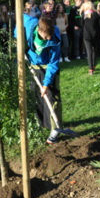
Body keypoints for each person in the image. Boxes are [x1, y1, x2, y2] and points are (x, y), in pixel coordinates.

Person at [15, 15, 62, 144]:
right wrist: (17, 40)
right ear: (39, 31)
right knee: (36, 97)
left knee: (52, 98)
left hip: (49, 68)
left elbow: (54, 62)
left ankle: (55, 129)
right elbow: (20, 18)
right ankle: (40, 124)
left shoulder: (55, 37)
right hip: (33, 67)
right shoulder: (30, 25)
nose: (49, 39)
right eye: (46, 37)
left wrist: (46, 84)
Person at [80, 1, 100, 74]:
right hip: (95, 35)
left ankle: (90, 69)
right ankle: (94, 65)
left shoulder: (83, 15)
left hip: (86, 35)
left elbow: (81, 25)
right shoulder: (96, 14)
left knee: (89, 52)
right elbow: (99, 26)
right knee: (94, 51)